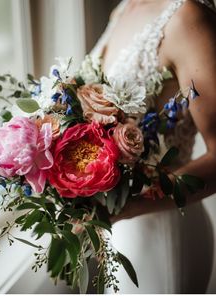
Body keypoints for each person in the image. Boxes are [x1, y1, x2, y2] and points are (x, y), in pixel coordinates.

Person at [91, 0, 216, 293]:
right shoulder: (124, 9)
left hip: (164, 229)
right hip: (121, 232)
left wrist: (130, 205)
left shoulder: (188, 18)